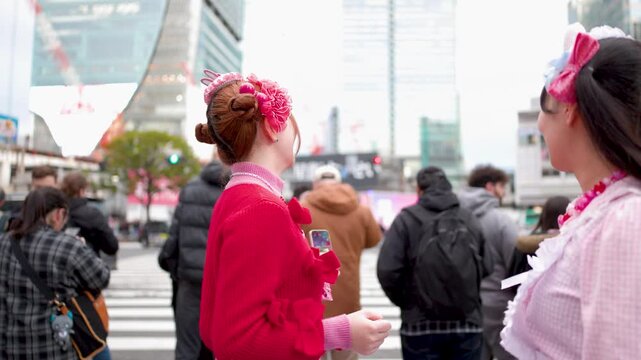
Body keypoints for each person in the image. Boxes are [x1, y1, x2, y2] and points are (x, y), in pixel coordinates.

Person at [194, 70, 391, 360]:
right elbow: (238, 341)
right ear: (273, 129)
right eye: (288, 120)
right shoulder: (261, 207)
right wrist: (341, 331)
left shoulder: (238, 196)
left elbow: (213, 328)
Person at [501, 24, 641, 359]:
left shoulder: (624, 219)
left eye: (544, 108)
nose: (539, 123)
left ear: (569, 111)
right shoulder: (606, 210)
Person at [378, 166, 490, 360]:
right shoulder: (468, 218)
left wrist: (408, 302)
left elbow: (388, 270)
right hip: (466, 322)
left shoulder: (406, 220)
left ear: (419, 190)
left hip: (419, 324)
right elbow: (488, 264)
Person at [0, 187, 111, 359]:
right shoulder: (67, 246)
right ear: (58, 214)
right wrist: (82, 247)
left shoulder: (4, 242)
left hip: (10, 347)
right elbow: (101, 278)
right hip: (52, 348)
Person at [300, 165, 383, 360]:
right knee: (346, 354)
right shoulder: (361, 210)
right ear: (340, 183)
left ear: (315, 184)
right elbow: (374, 239)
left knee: (313, 351)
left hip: (313, 299)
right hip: (349, 296)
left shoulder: (304, 208)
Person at [158, 160, 227, 360]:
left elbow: (174, 239)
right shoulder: (233, 191)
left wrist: (170, 265)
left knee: (187, 346)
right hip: (221, 282)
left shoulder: (190, 189)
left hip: (190, 280)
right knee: (219, 345)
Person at [458, 164, 518, 360]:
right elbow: (515, 264)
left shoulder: (455, 218)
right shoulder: (501, 221)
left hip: (465, 305)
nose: (503, 192)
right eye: (502, 187)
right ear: (491, 187)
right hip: (499, 303)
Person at [60, 172, 119, 257]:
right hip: (88, 264)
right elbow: (112, 246)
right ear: (81, 191)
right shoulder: (92, 214)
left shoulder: (56, 213)